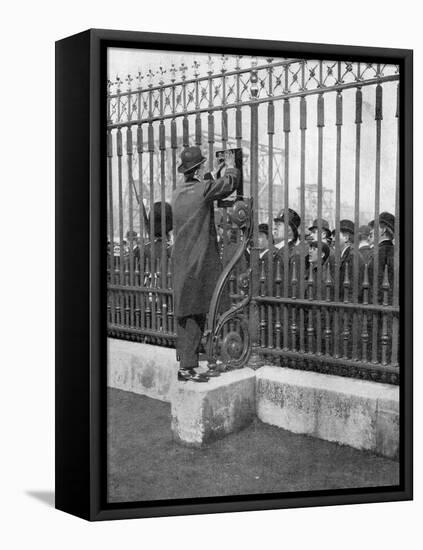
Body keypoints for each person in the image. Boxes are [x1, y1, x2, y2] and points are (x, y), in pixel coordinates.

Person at [172, 146, 240, 382]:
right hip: (198, 261)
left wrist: (212, 173)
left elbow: (203, 190)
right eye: (202, 167)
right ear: (199, 169)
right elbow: (229, 184)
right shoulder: (202, 191)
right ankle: (187, 368)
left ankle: (186, 364)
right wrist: (230, 166)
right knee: (195, 312)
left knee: (186, 312)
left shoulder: (179, 192)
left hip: (182, 262)